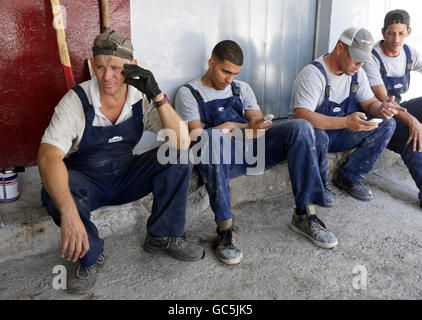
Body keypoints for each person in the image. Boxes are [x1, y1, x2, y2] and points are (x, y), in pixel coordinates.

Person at [38, 30, 204, 294]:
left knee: (178, 155)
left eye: (116, 68)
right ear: (93, 65)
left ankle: (163, 235)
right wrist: (69, 212)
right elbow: (48, 156)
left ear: (132, 67)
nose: (106, 76)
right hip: (87, 182)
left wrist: (158, 95)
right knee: (54, 191)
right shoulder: (75, 102)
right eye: (100, 67)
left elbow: (182, 142)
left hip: (126, 175)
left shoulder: (141, 99)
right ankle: (90, 255)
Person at [175, 40, 338, 266]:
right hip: (220, 158)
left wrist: (247, 126)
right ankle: (225, 230)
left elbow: (256, 123)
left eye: (234, 73)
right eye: (225, 71)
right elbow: (197, 136)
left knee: (301, 126)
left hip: (253, 150)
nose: (229, 79)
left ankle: (304, 215)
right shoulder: (189, 93)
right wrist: (235, 127)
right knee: (211, 138)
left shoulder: (242, 88)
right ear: (212, 63)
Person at [290, 27, 403, 202]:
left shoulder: (357, 74)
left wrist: (381, 108)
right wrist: (346, 122)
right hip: (313, 138)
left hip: (340, 133)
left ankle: (350, 177)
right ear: (340, 48)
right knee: (316, 135)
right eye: (356, 58)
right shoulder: (313, 75)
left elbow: (369, 103)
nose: (359, 65)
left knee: (388, 124)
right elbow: (303, 117)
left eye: (363, 61)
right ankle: (318, 186)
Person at [362, 9, 422, 208]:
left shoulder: (409, 53)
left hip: (398, 111)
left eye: (401, 33)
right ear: (383, 32)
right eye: (391, 33)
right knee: (409, 138)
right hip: (376, 115)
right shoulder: (372, 58)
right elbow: (382, 99)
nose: (396, 39)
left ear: (409, 32)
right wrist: (413, 121)